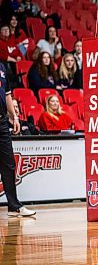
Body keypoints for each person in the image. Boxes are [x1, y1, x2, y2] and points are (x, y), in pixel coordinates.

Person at [0, 62, 36, 217]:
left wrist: (14, 117)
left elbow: (7, 94)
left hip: (1, 121)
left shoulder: (1, 67)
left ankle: (14, 206)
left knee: (9, 164)